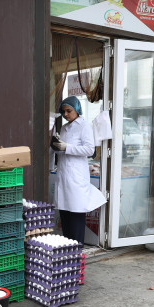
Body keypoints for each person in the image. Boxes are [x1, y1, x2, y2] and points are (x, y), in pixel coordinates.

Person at [50, 96, 106, 244]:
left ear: (77, 110)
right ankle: (67, 248)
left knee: (75, 213)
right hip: (63, 175)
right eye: (64, 112)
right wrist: (57, 146)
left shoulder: (84, 126)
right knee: (65, 213)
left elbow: (89, 149)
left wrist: (66, 147)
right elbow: (62, 150)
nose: (66, 114)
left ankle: (77, 249)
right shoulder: (63, 128)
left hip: (76, 178)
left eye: (69, 111)